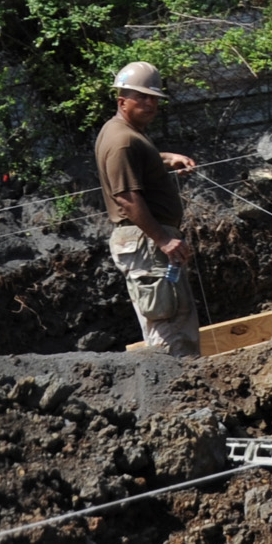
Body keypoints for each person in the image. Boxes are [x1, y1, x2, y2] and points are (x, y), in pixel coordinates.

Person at [93, 59, 199, 352]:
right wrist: (163, 239)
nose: (150, 103)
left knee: (174, 319)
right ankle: (181, 389)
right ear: (122, 100)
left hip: (146, 242)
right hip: (147, 243)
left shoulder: (124, 133)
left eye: (154, 98)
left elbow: (140, 158)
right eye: (142, 97)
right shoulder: (123, 141)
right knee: (170, 327)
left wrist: (166, 158)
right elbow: (126, 197)